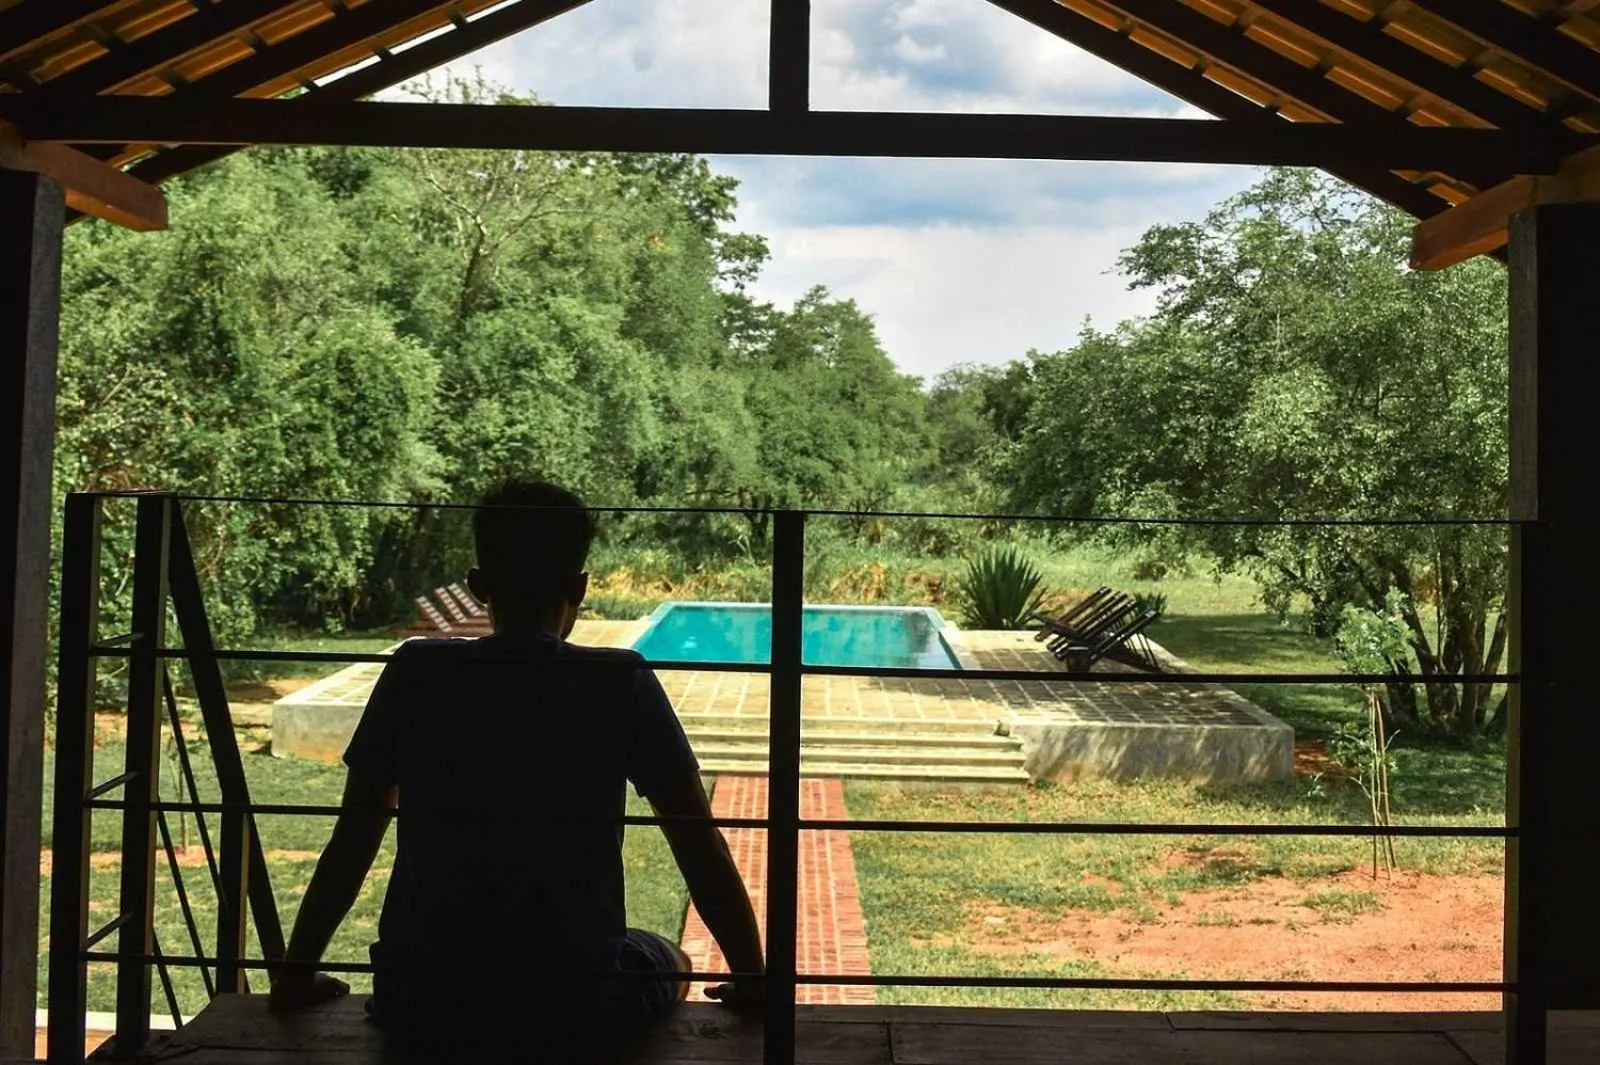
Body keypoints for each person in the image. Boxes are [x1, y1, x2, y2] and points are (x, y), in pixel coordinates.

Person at [269, 480, 765, 1061]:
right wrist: (754, 980)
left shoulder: (414, 674)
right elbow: (697, 843)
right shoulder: (617, 682)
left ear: (479, 586)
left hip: (422, 996)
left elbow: (353, 838)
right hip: (573, 1001)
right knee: (669, 958)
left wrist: (295, 973)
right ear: (579, 587)